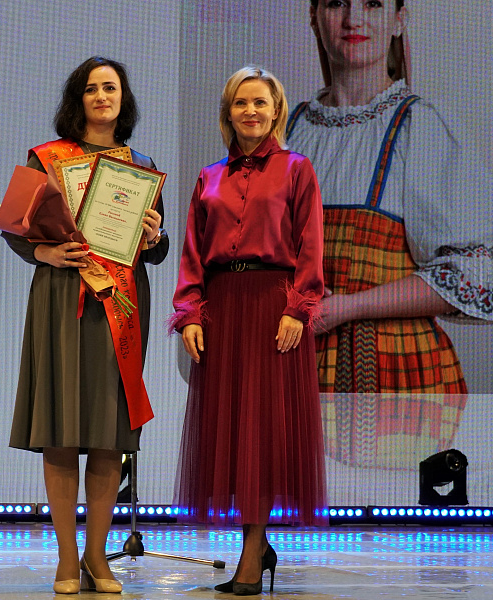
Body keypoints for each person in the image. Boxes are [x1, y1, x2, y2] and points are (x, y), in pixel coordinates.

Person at [286, 0, 493, 467]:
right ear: (314, 16)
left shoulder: (419, 126)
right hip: (288, 377)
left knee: (387, 507)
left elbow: (470, 273)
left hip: (397, 387)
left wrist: (350, 306)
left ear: (399, 19)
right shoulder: (287, 131)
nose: (353, 18)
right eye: (336, 3)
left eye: (373, 3)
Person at [2, 56, 168, 595]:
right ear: (78, 99)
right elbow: (12, 227)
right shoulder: (45, 157)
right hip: (61, 298)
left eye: (111, 88)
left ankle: (98, 556)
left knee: (107, 432)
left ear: (123, 99)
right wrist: (45, 252)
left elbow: (156, 247)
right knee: (62, 427)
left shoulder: (142, 166)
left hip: (120, 305)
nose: (102, 96)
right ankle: (67, 558)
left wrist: (155, 237)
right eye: (92, 89)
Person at [169, 65, 328, 596]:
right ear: (228, 112)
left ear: (276, 110)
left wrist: (298, 307)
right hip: (223, 308)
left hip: (273, 309)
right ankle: (256, 547)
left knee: (263, 433)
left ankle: (251, 556)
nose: (251, 111)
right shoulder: (208, 177)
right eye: (241, 103)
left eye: (260, 102)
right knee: (233, 435)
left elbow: (310, 245)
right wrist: (190, 312)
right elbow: (192, 253)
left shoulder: (297, 169)